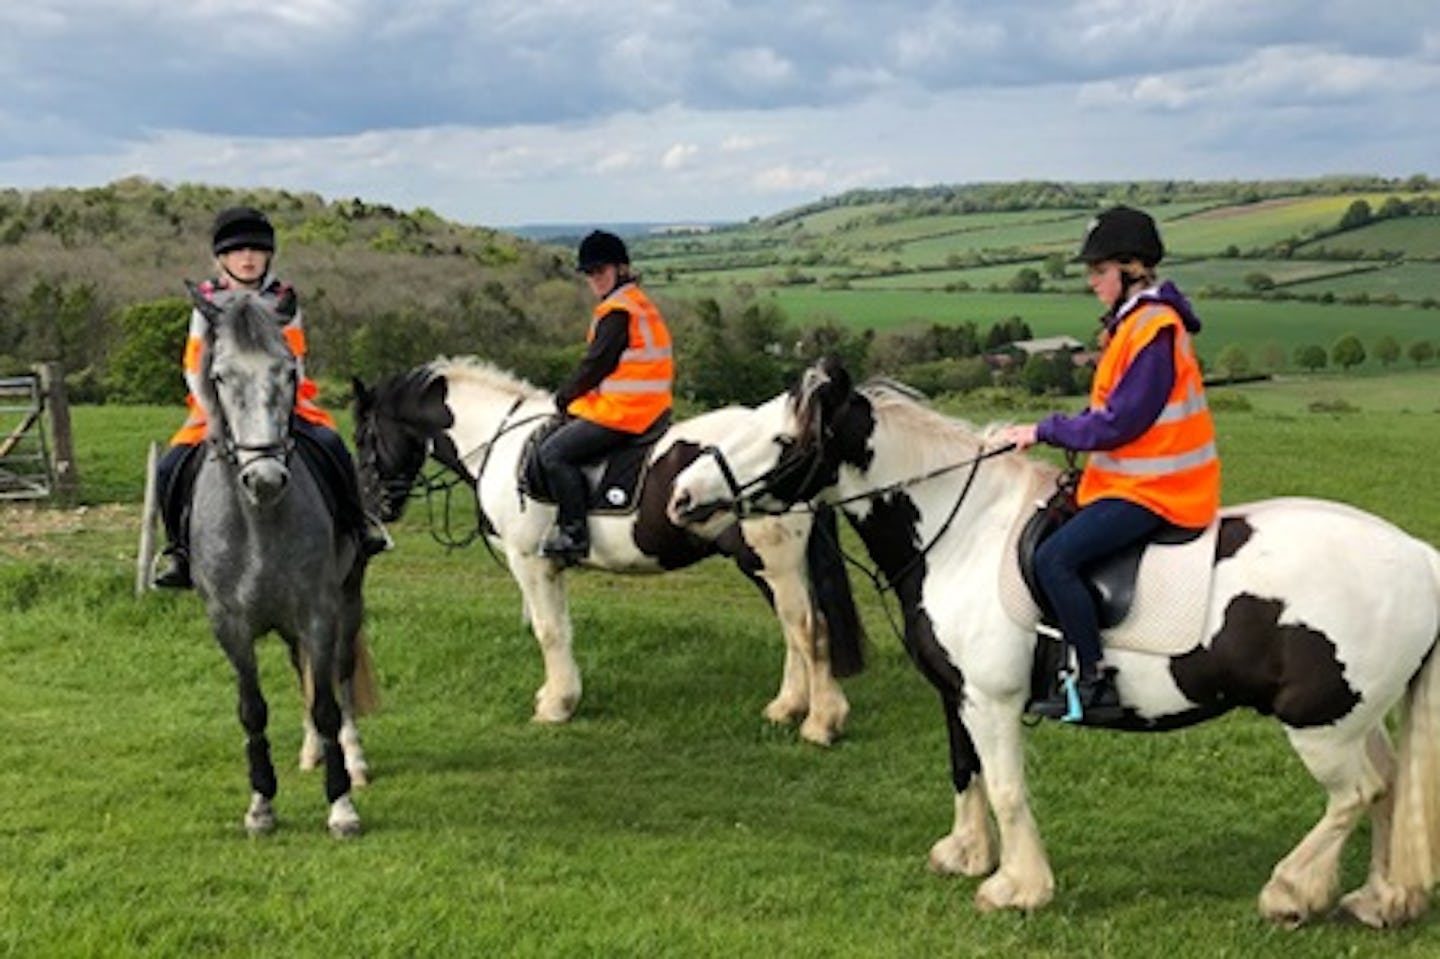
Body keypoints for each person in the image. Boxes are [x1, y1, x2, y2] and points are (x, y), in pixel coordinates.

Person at [993, 205, 1220, 722]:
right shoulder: (1132, 324)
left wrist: (1044, 430)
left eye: (1099, 271)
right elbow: (1106, 415)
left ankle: (1094, 682)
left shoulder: (1153, 329)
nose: (1092, 282)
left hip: (1160, 489)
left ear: (1132, 269)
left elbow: (1120, 423)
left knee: (1055, 559)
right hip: (1130, 480)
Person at [153, 205, 385, 588]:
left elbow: (296, 363)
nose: (248, 258)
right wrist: (217, 413)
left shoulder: (283, 301)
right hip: (218, 406)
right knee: (170, 467)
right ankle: (180, 552)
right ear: (222, 258)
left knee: (332, 445)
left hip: (283, 401)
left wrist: (278, 405)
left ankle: (356, 529)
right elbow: (195, 368)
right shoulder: (207, 305)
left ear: (268, 256)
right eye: (238, 251)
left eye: (256, 251)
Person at [535, 230, 674, 563]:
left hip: (626, 412)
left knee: (552, 453)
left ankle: (573, 536)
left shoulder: (618, 311)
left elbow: (595, 365)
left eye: (600, 271)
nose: (595, 279)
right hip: (651, 407)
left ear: (621, 269)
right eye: (590, 274)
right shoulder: (638, 302)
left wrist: (565, 396)